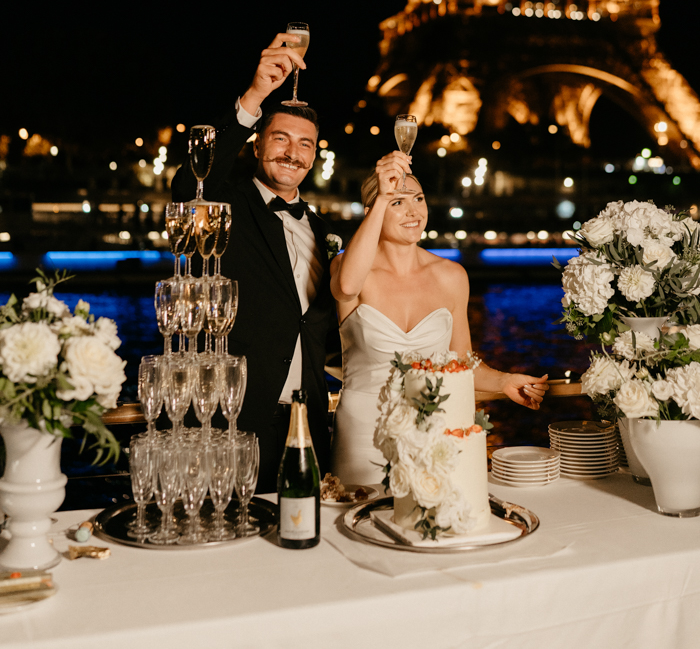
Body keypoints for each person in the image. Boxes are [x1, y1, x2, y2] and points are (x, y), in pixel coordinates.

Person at [171, 33, 335, 491]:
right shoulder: (226, 207)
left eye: (305, 144)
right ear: (257, 145)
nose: (292, 152)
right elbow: (188, 186)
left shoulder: (322, 230)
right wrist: (255, 96)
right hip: (238, 419)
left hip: (309, 422)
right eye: (280, 138)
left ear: (315, 156)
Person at [329, 150, 549, 485]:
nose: (414, 211)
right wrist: (382, 194)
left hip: (433, 430)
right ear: (373, 210)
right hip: (363, 433)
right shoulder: (350, 270)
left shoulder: (451, 276)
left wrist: (504, 381)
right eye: (397, 202)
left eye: (418, 198)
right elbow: (345, 288)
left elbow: (461, 362)